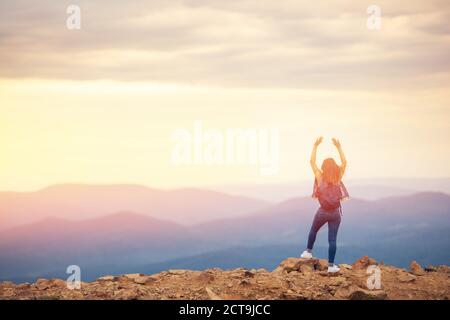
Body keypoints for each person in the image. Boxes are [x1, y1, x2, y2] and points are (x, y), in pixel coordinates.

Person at [300, 137, 349, 273]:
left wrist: (315, 146)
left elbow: (311, 162)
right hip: (335, 213)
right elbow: (344, 162)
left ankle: (308, 252)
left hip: (322, 211)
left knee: (314, 230)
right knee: (332, 240)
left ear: (323, 167)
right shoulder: (338, 176)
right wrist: (339, 148)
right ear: (334, 167)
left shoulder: (320, 176)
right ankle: (331, 266)